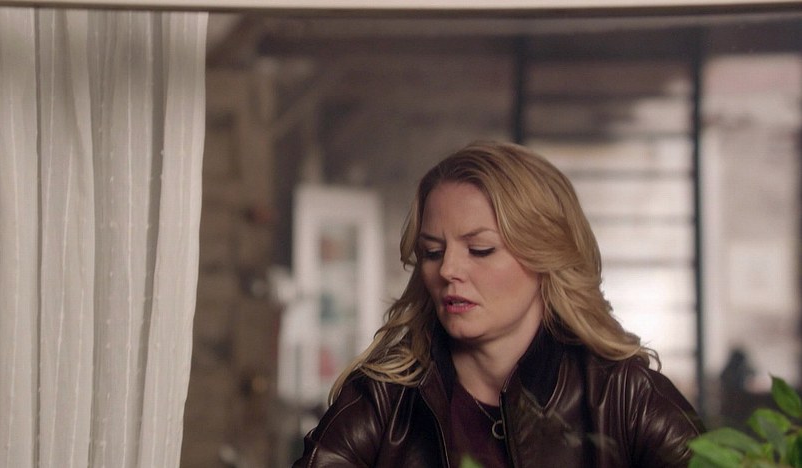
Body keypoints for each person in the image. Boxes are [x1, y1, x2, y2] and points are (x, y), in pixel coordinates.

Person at [293, 141, 704, 467]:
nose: (448, 269)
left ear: (545, 257)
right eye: (433, 252)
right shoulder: (385, 396)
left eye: (480, 249)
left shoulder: (624, 395)